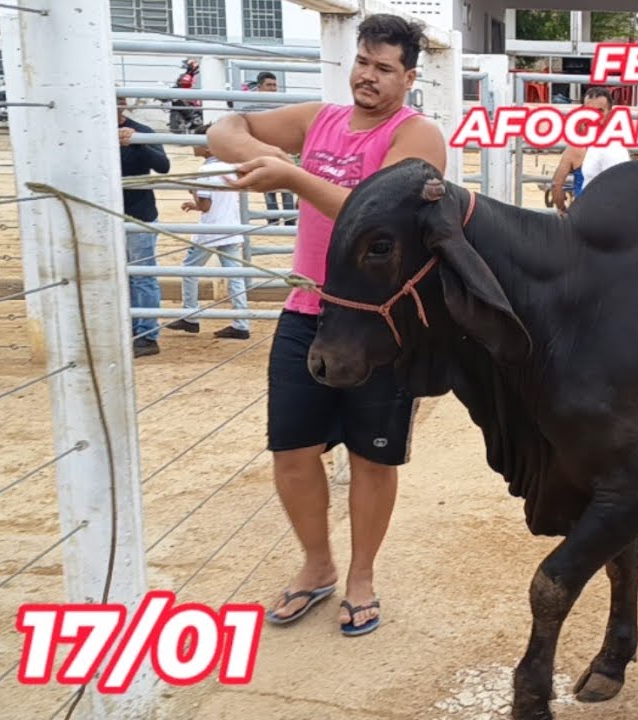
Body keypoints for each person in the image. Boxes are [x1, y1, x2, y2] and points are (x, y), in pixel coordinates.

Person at [206, 12, 446, 637]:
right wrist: (265, 152)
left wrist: (291, 174)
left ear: (409, 77)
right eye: (362, 62)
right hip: (307, 309)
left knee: (373, 455)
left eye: (384, 68)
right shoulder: (321, 120)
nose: (368, 77)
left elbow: (375, 214)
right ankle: (317, 567)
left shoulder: (418, 137)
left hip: (376, 322)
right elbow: (222, 128)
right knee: (291, 448)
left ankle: (361, 575)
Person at [166, 125, 251, 340]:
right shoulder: (230, 166)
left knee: (189, 270)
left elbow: (205, 206)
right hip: (231, 226)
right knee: (235, 276)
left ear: (208, 148)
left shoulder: (205, 171)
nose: (194, 146)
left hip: (210, 229)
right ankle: (241, 323)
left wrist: (192, 189)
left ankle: (190, 315)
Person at [117, 97, 171, 358]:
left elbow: (163, 166)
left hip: (139, 215)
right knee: (116, 277)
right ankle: (125, 330)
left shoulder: (143, 131)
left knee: (142, 276)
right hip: (105, 216)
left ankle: (147, 335)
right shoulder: (90, 132)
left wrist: (137, 142)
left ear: (123, 103)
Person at [550, 87, 630, 215]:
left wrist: (562, 209)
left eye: (599, 111)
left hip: (582, 214)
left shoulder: (575, 148)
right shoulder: (618, 147)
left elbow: (556, 185)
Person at [242, 72, 298, 224]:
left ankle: (289, 219)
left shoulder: (283, 105)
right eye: (269, 85)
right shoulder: (251, 108)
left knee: (287, 185)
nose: (273, 89)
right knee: (268, 186)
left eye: (274, 85)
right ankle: (273, 220)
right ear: (259, 87)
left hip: (282, 150)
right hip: (262, 151)